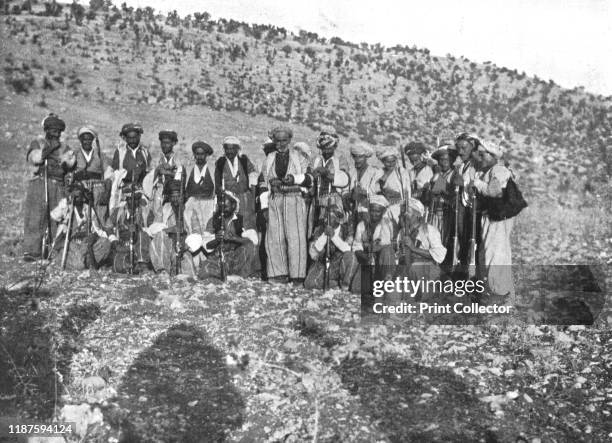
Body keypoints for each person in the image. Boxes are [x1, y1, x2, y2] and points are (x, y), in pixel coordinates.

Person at [260, 126, 313, 284]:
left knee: (295, 237)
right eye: (278, 140)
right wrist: (264, 206)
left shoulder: (299, 157)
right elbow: (263, 182)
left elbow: (310, 178)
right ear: (274, 141)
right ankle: (278, 274)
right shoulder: (269, 158)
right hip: (275, 200)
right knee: (274, 237)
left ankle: (297, 275)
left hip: (294, 198)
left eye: (284, 140)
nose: (281, 144)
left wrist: (295, 179)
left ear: (289, 140)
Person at [23, 113, 76, 261]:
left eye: (58, 131)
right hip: (39, 184)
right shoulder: (38, 143)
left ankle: (54, 251)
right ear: (46, 130)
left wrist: (64, 161)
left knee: (56, 218)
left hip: (57, 186)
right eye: (53, 130)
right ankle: (32, 251)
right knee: (35, 216)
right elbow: (35, 158)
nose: (56, 133)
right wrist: (48, 150)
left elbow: (70, 163)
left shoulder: (65, 147)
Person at [472, 141, 516, 301]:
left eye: (483, 155)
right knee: (491, 255)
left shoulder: (498, 170)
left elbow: (494, 191)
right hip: (490, 217)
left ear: (492, 156)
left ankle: (499, 295)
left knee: (495, 256)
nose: (480, 158)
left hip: (496, 218)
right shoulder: (489, 171)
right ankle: (500, 296)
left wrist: (477, 184)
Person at [108, 123, 152, 272]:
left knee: (143, 220)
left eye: (135, 137)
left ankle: (142, 257)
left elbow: (147, 175)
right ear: (125, 138)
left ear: (139, 137)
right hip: (123, 192)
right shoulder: (120, 152)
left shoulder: (145, 152)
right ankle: (122, 251)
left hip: (140, 192)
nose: (133, 140)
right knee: (121, 219)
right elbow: (114, 173)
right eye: (130, 138)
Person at [148, 130, 193, 274]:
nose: (165, 145)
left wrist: (166, 173)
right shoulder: (157, 160)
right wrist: (158, 171)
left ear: (173, 144)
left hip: (174, 196)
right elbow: (150, 178)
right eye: (163, 143)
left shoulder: (179, 160)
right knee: (158, 222)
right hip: (159, 195)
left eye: (168, 143)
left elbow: (180, 178)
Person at [49, 182, 116, 270]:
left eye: (78, 195)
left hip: (85, 244)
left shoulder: (88, 209)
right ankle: (66, 259)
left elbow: (97, 229)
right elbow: (54, 215)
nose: (76, 199)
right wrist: (66, 201)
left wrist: (111, 239)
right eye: (74, 196)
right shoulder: (67, 207)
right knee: (79, 265)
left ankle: (86, 262)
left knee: (106, 243)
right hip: (71, 243)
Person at [196, 191, 260, 280]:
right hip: (219, 258)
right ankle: (227, 277)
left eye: (225, 207)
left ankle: (238, 276)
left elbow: (254, 241)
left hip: (237, 258)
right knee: (204, 271)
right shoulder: (213, 220)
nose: (222, 210)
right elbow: (206, 245)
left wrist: (233, 238)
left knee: (250, 247)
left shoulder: (241, 220)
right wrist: (216, 239)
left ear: (233, 206)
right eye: (220, 207)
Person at [396, 198, 447, 299]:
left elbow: (439, 255)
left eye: (407, 212)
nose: (403, 215)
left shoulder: (429, 230)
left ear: (417, 215)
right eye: (402, 212)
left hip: (426, 270)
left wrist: (413, 248)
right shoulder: (401, 232)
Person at [304, 203, 359, 290]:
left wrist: (333, 237)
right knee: (309, 283)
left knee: (351, 257)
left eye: (329, 218)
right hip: (323, 265)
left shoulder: (347, 229)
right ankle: (334, 284)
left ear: (338, 219)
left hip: (340, 264)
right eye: (325, 217)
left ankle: (344, 285)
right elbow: (313, 253)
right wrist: (325, 236)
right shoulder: (319, 229)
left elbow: (349, 249)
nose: (326, 220)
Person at [350, 195, 397, 294]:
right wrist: (365, 256)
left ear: (383, 212)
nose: (374, 214)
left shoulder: (387, 224)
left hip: (384, 261)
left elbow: (384, 244)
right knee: (357, 289)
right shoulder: (362, 225)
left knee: (387, 251)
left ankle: (387, 284)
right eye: (372, 210)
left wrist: (371, 249)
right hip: (367, 260)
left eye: (378, 211)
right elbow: (356, 247)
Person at [309, 131, 350, 235]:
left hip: (334, 200)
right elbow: (309, 176)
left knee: (333, 231)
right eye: (324, 148)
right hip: (317, 201)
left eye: (329, 148)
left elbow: (344, 179)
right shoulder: (315, 160)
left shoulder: (340, 159)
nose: (326, 151)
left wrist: (326, 174)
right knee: (316, 232)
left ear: (334, 146)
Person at [214, 136, 258, 231]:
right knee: (230, 224)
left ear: (237, 149)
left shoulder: (244, 160)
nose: (229, 151)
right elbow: (217, 183)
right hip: (228, 201)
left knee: (246, 225)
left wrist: (254, 201)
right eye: (227, 149)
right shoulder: (220, 162)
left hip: (245, 199)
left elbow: (253, 179)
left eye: (232, 149)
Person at [183, 141, 216, 269]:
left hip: (208, 204)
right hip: (192, 205)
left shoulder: (212, 169)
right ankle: (195, 263)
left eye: (202, 154)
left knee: (207, 233)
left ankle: (207, 263)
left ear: (206, 155)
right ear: (194, 155)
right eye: (197, 154)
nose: (200, 157)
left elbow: (216, 189)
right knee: (194, 233)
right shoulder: (189, 168)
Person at [452, 133, 479, 267]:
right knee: (463, 237)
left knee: (473, 239)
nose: (460, 152)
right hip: (463, 206)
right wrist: (457, 168)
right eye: (458, 148)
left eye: (464, 148)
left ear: (472, 147)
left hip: (474, 208)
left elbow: (470, 185)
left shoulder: (476, 165)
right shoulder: (462, 165)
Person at [73, 126, 110, 225]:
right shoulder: (75, 154)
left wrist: (106, 191)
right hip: (80, 190)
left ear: (93, 140)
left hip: (97, 189)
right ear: (80, 140)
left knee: (102, 219)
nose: (86, 142)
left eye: (89, 139)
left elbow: (108, 174)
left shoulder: (100, 155)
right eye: (84, 139)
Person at [425, 143, 458, 247]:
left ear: (452, 160)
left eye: (446, 160)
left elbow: (450, 193)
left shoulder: (455, 175)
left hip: (446, 214)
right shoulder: (436, 174)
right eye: (441, 160)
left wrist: (438, 182)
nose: (443, 163)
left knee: (444, 241)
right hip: (433, 212)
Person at [255, 138, 277, 280]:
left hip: (278, 204)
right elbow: (262, 187)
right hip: (267, 206)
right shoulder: (265, 166)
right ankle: (266, 271)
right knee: (266, 239)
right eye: (267, 150)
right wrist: (264, 208)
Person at [348, 143, 382, 232]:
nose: (357, 160)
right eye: (355, 157)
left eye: (360, 157)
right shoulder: (351, 171)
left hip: (367, 213)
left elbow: (375, 193)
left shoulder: (375, 172)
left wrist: (362, 192)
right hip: (351, 213)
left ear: (366, 157)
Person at [376, 146, 412, 229]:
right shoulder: (379, 172)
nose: (391, 164)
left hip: (399, 207)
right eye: (388, 162)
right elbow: (375, 189)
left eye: (393, 161)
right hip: (384, 207)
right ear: (383, 161)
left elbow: (407, 191)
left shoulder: (402, 172)